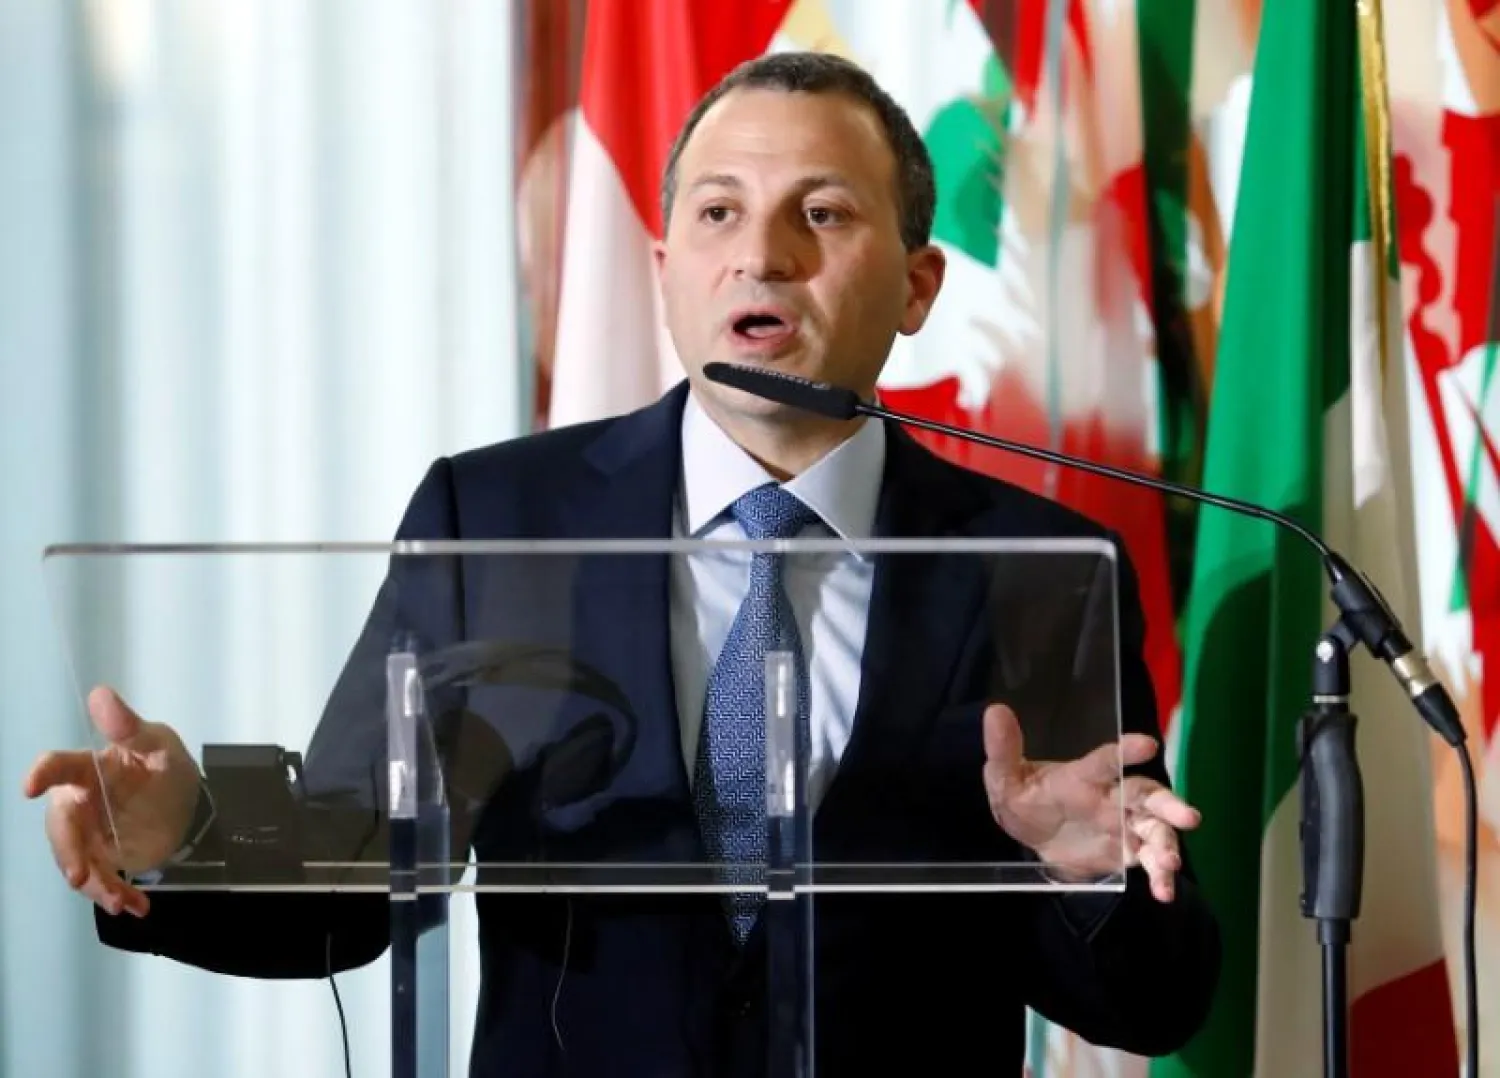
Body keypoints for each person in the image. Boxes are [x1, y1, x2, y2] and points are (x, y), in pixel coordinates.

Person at [23, 52, 1219, 1076]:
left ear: (917, 286)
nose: (762, 256)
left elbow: (1153, 1001)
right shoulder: (497, 520)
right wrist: (187, 832)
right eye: (717, 212)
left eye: (824, 213)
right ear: (661, 271)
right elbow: (351, 866)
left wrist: (1079, 876)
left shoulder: (1037, 566)